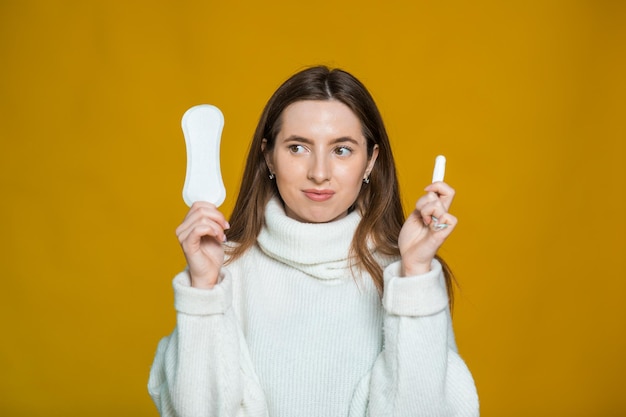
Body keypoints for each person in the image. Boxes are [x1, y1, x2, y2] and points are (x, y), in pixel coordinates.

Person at [148, 66, 479, 417]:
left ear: (370, 161)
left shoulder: (407, 275)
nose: (319, 173)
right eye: (298, 147)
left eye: (342, 150)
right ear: (268, 156)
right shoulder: (224, 270)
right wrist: (203, 290)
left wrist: (414, 273)